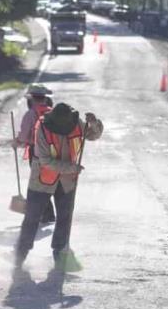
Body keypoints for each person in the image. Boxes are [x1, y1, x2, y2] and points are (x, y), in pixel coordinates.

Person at [14, 101, 103, 271]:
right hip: (42, 179)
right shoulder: (42, 127)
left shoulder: (75, 122)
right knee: (32, 218)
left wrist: (94, 123)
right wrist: (72, 168)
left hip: (67, 181)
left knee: (65, 217)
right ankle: (20, 255)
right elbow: (45, 160)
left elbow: (93, 135)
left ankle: (60, 253)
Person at [14, 85, 56, 225]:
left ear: (31, 100)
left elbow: (24, 136)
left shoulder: (31, 114)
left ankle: (46, 214)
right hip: (54, 153)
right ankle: (49, 214)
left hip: (36, 153)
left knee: (38, 183)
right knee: (49, 181)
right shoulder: (53, 113)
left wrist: (17, 142)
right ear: (45, 99)